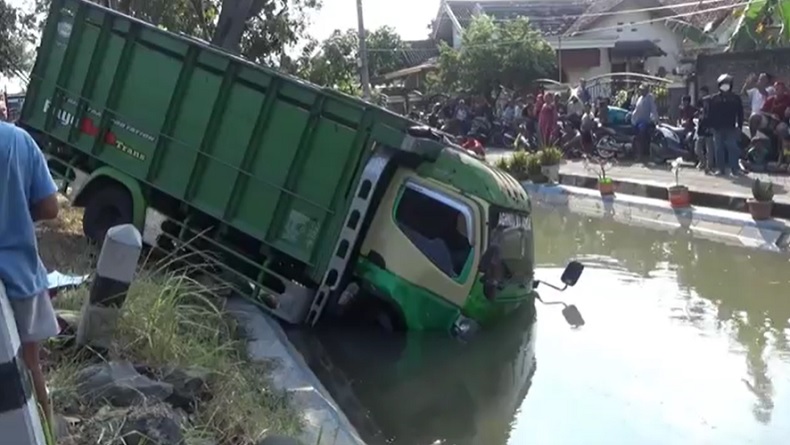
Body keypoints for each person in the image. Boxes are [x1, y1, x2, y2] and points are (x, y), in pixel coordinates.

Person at [0, 121, 60, 428]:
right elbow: (50, 207)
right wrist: (18, 216)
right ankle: (45, 433)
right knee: (30, 365)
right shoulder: (18, 140)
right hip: (20, 277)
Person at [706, 73, 744, 175]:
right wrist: (710, 126)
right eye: (723, 84)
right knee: (719, 149)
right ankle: (720, 169)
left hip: (731, 127)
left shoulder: (735, 98)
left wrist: (739, 126)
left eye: (727, 84)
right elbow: (710, 114)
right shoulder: (714, 99)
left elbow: (740, 113)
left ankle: (734, 169)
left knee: (732, 148)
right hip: (717, 128)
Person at [741, 72, 775, 138]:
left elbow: (764, 92)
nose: (759, 80)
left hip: (765, 117)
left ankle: (753, 139)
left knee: (754, 117)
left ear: (767, 80)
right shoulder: (754, 91)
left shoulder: (771, 89)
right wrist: (747, 83)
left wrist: (757, 85)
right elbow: (743, 92)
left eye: (762, 79)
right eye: (759, 78)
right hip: (754, 116)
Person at [630, 84, 658, 161]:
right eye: (640, 90)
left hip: (644, 121)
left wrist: (655, 119)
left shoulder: (649, 98)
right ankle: (635, 153)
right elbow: (636, 109)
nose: (641, 91)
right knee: (635, 137)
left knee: (640, 136)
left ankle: (641, 155)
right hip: (637, 121)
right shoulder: (640, 98)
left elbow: (653, 109)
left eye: (642, 90)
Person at [695, 86, 715, 172]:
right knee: (698, 147)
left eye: (703, 92)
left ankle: (709, 165)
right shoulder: (700, 102)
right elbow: (698, 112)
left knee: (709, 147)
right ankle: (702, 161)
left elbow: (711, 116)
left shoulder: (711, 102)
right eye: (700, 93)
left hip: (709, 126)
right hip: (701, 126)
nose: (701, 94)